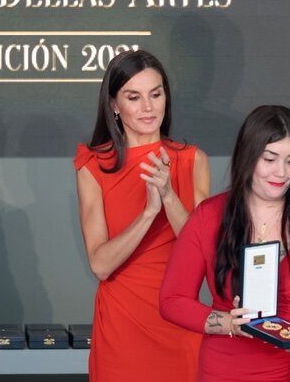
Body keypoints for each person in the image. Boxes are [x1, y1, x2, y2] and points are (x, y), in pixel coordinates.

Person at [160, 105, 290, 382]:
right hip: (228, 366)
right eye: (270, 159)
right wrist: (228, 323)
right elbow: (172, 301)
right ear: (248, 156)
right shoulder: (209, 217)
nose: (282, 172)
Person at [74, 50, 210, 381]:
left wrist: (167, 195)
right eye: (134, 97)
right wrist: (149, 212)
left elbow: (204, 250)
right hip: (123, 328)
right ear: (114, 105)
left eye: (156, 94)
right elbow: (100, 265)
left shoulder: (192, 160)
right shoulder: (93, 165)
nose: (148, 108)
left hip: (180, 321)